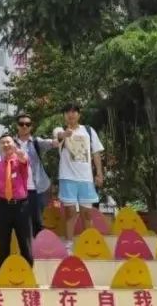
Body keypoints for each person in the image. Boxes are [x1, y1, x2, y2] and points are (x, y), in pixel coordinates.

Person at [53, 103, 104, 250]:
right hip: (67, 177)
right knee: (70, 213)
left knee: (87, 214)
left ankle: (89, 244)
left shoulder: (88, 131)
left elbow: (96, 153)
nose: (71, 114)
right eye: (68, 112)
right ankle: (69, 244)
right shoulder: (59, 129)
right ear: (64, 115)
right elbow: (57, 139)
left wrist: (99, 173)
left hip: (86, 179)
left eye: (74, 111)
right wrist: (65, 135)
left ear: (79, 114)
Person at [0, 134, 34, 271]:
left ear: (14, 144)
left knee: (25, 243)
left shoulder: (20, 161)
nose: (6, 145)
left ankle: (28, 274)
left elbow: (24, 159)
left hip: (21, 206)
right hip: (3, 206)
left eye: (8, 142)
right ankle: (2, 275)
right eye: (2, 143)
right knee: (3, 244)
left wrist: (18, 152)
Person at [14, 113, 55, 236]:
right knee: (20, 221)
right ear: (17, 126)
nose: (24, 126)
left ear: (31, 126)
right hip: (18, 190)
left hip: (36, 188)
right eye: (21, 124)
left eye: (27, 124)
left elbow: (54, 143)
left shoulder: (37, 142)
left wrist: (61, 134)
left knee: (37, 221)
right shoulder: (10, 144)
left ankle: (37, 246)